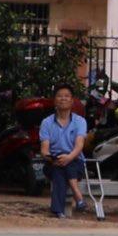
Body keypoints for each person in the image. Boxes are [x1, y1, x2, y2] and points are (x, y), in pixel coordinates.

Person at [39, 86, 91, 219]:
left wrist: (68, 158)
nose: (63, 98)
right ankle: (78, 197)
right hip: (53, 161)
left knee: (62, 169)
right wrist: (52, 159)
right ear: (54, 100)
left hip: (75, 160)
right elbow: (44, 150)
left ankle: (58, 211)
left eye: (67, 96)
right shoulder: (46, 122)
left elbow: (79, 146)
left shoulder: (80, 121)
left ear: (72, 101)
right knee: (58, 167)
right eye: (59, 96)